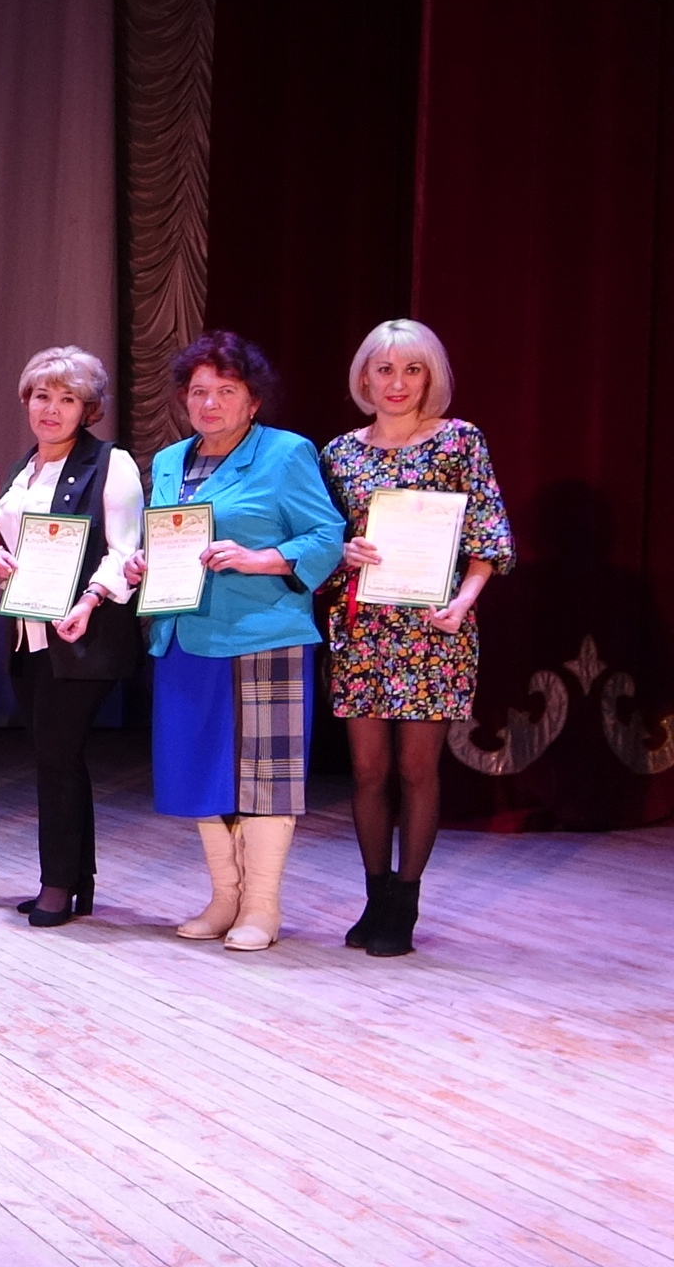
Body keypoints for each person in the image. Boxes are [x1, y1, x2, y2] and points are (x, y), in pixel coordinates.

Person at [125, 331, 344, 951]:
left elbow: (326, 535)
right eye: (198, 391)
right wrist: (144, 563)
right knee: (198, 767)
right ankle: (225, 897)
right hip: (184, 632)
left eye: (226, 391)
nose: (210, 403)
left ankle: (262, 906)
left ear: (253, 400)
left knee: (265, 775)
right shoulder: (171, 460)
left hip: (262, 633)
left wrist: (259, 558)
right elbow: (167, 534)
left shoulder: (285, 453)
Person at [320, 319, 512, 957]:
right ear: (364, 377)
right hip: (362, 629)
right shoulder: (340, 453)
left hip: (434, 629)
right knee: (367, 770)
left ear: (431, 378)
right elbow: (322, 541)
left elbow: (488, 537)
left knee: (415, 768)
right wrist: (342, 552)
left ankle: (405, 900)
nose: (396, 383)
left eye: (412, 370)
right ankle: (375, 895)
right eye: (384, 369)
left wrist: (462, 602)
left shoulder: (460, 441)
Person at [0, 347, 143, 926]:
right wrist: (1, 564)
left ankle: (56, 884)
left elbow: (124, 549)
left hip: (83, 632)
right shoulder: (24, 467)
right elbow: (15, 544)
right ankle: (77, 879)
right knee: (59, 756)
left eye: (67, 398)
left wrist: (90, 599)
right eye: (41, 396)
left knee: (56, 755)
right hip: (29, 633)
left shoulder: (111, 463)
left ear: (88, 408)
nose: (51, 409)